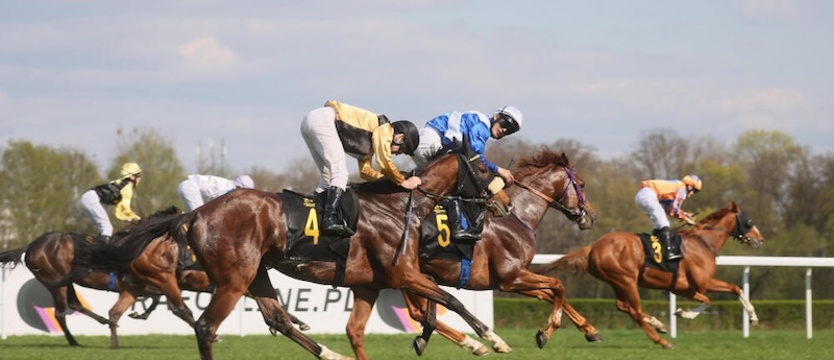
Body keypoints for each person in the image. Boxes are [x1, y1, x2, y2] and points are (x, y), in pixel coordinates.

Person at [300, 99, 422, 236]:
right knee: (340, 174)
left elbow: (365, 172)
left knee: (327, 177)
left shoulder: (371, 140)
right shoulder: (385, 129)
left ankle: (312, 215)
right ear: (399, 138)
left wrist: (388, 180)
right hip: (323, 120)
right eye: (400, 150)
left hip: (311, 121)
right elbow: (384, 161)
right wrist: (403, 182)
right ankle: (329, 219)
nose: (397, 154)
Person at [410, 105, 523, 240]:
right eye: (505, 124)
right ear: (497, 116)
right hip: (432, 141)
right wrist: (500, 170)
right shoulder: (482, 126)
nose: (504, 130)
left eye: (509, 131)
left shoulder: (480, 122)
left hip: (429, 140)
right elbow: (476, 160)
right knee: (462, 180)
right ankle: (458, 228)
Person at [635, 174, 702, 260]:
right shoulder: (681, 189)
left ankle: (657, 249)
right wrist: (685, 219)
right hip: (648, 196)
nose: (693, 193)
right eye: (695, 191)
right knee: (664, 223)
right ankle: (669, 252)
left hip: (643, 196)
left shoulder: (677, 186)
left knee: (659, 225)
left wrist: (685, 214)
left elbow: (669, 208)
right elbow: (673, 209)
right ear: (690, 186)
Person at [78, 162, 143, 242]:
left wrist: (128, 218)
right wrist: (138, 219)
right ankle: (99, 251)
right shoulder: (128, 188)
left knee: (105, 228)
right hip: (91, 199)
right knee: (107, 228)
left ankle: (95, 244)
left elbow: (118, 211)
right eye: (138, 175)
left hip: (88, 198)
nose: (140, 179)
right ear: (132, 177)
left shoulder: (121, 184)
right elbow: (126, 209)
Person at [177, 174, 255, 212]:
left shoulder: (229, 185)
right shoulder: (229, 190)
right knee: (199, 217)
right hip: (190, 188)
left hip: (186, 185)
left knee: (194, 216)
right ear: (241, 187)